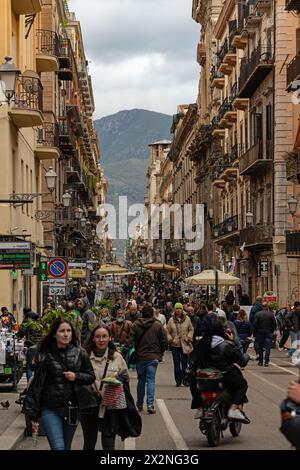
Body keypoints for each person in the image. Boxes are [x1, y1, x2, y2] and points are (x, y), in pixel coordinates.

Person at [23, 319, 96, 450]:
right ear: (54, 334)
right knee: (58, 447)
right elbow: (37, 383)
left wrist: (76, 376)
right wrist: (32, 410)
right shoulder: (44, 353)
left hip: (72, 408)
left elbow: (91, 376)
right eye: (62, 331)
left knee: (66, 447)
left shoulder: (80, 352)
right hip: (50, 409)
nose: (66, 334)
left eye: (68, 331)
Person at [80, 324, 135, 450]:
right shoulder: (84, 357)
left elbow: (125, 378)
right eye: (98, 337)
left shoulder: (117, 357)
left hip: (111, 407)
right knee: (89, 443)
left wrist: (116, 383)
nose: (101, 340)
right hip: (90, 406)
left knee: (109, 444)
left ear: (110, 338)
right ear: (93, 338)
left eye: (104, 336)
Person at [190, 319, 250, 422]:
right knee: (242, 384)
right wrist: (244, 354)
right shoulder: (225, 345)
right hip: (224, 376)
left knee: (193, 384)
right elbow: (241, 360)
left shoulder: (201, 344)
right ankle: (234, 407)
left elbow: (193, 357)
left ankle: (200, 407)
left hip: (203, 378)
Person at [125, 304, 167, 413]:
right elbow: (164, 341)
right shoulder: (158, 325)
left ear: (141, 313)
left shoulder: (135, 325)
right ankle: (150, 405)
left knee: (141, 381)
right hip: (153, 357)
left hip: (140, 357)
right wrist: (160, 352)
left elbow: (129, 341)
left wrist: (123, 352)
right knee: (151, 380)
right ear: (152, 313)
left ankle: (139, 403)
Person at [167, 303, 194, 387]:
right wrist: (171, 339)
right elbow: (167, 331)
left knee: (184, 362)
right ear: (175, 310)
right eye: (177, 309)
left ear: (182, 310)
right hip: (175, 345)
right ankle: (178, 380)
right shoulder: (171, 320)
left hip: (184, 344)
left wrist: (189, 337)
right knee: (176, 362)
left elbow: (191, 329)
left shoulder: (187, 319)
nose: (178, 310)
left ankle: (184, 378)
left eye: (180, 309)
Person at [18, 307, 41, 382]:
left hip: (32, 345)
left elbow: (21, 332)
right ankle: (37, 385)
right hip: (41, 345)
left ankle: (30, 386)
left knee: (29, 367)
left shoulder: (27, 320)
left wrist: (18, 336)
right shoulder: (39, 319)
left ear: (25, 313)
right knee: (39, 366)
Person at [253, 302, 277, 366]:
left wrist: (255, 333)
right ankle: (266, 362)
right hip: (268, 332)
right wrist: (272, 330)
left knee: (260, 347)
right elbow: (274, 324)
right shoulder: (271, 314)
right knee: (268, 347)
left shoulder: (257, 314)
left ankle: (260, 361)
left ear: (262, 307)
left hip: (259, 332)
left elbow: (255, 324)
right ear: (267, 307)